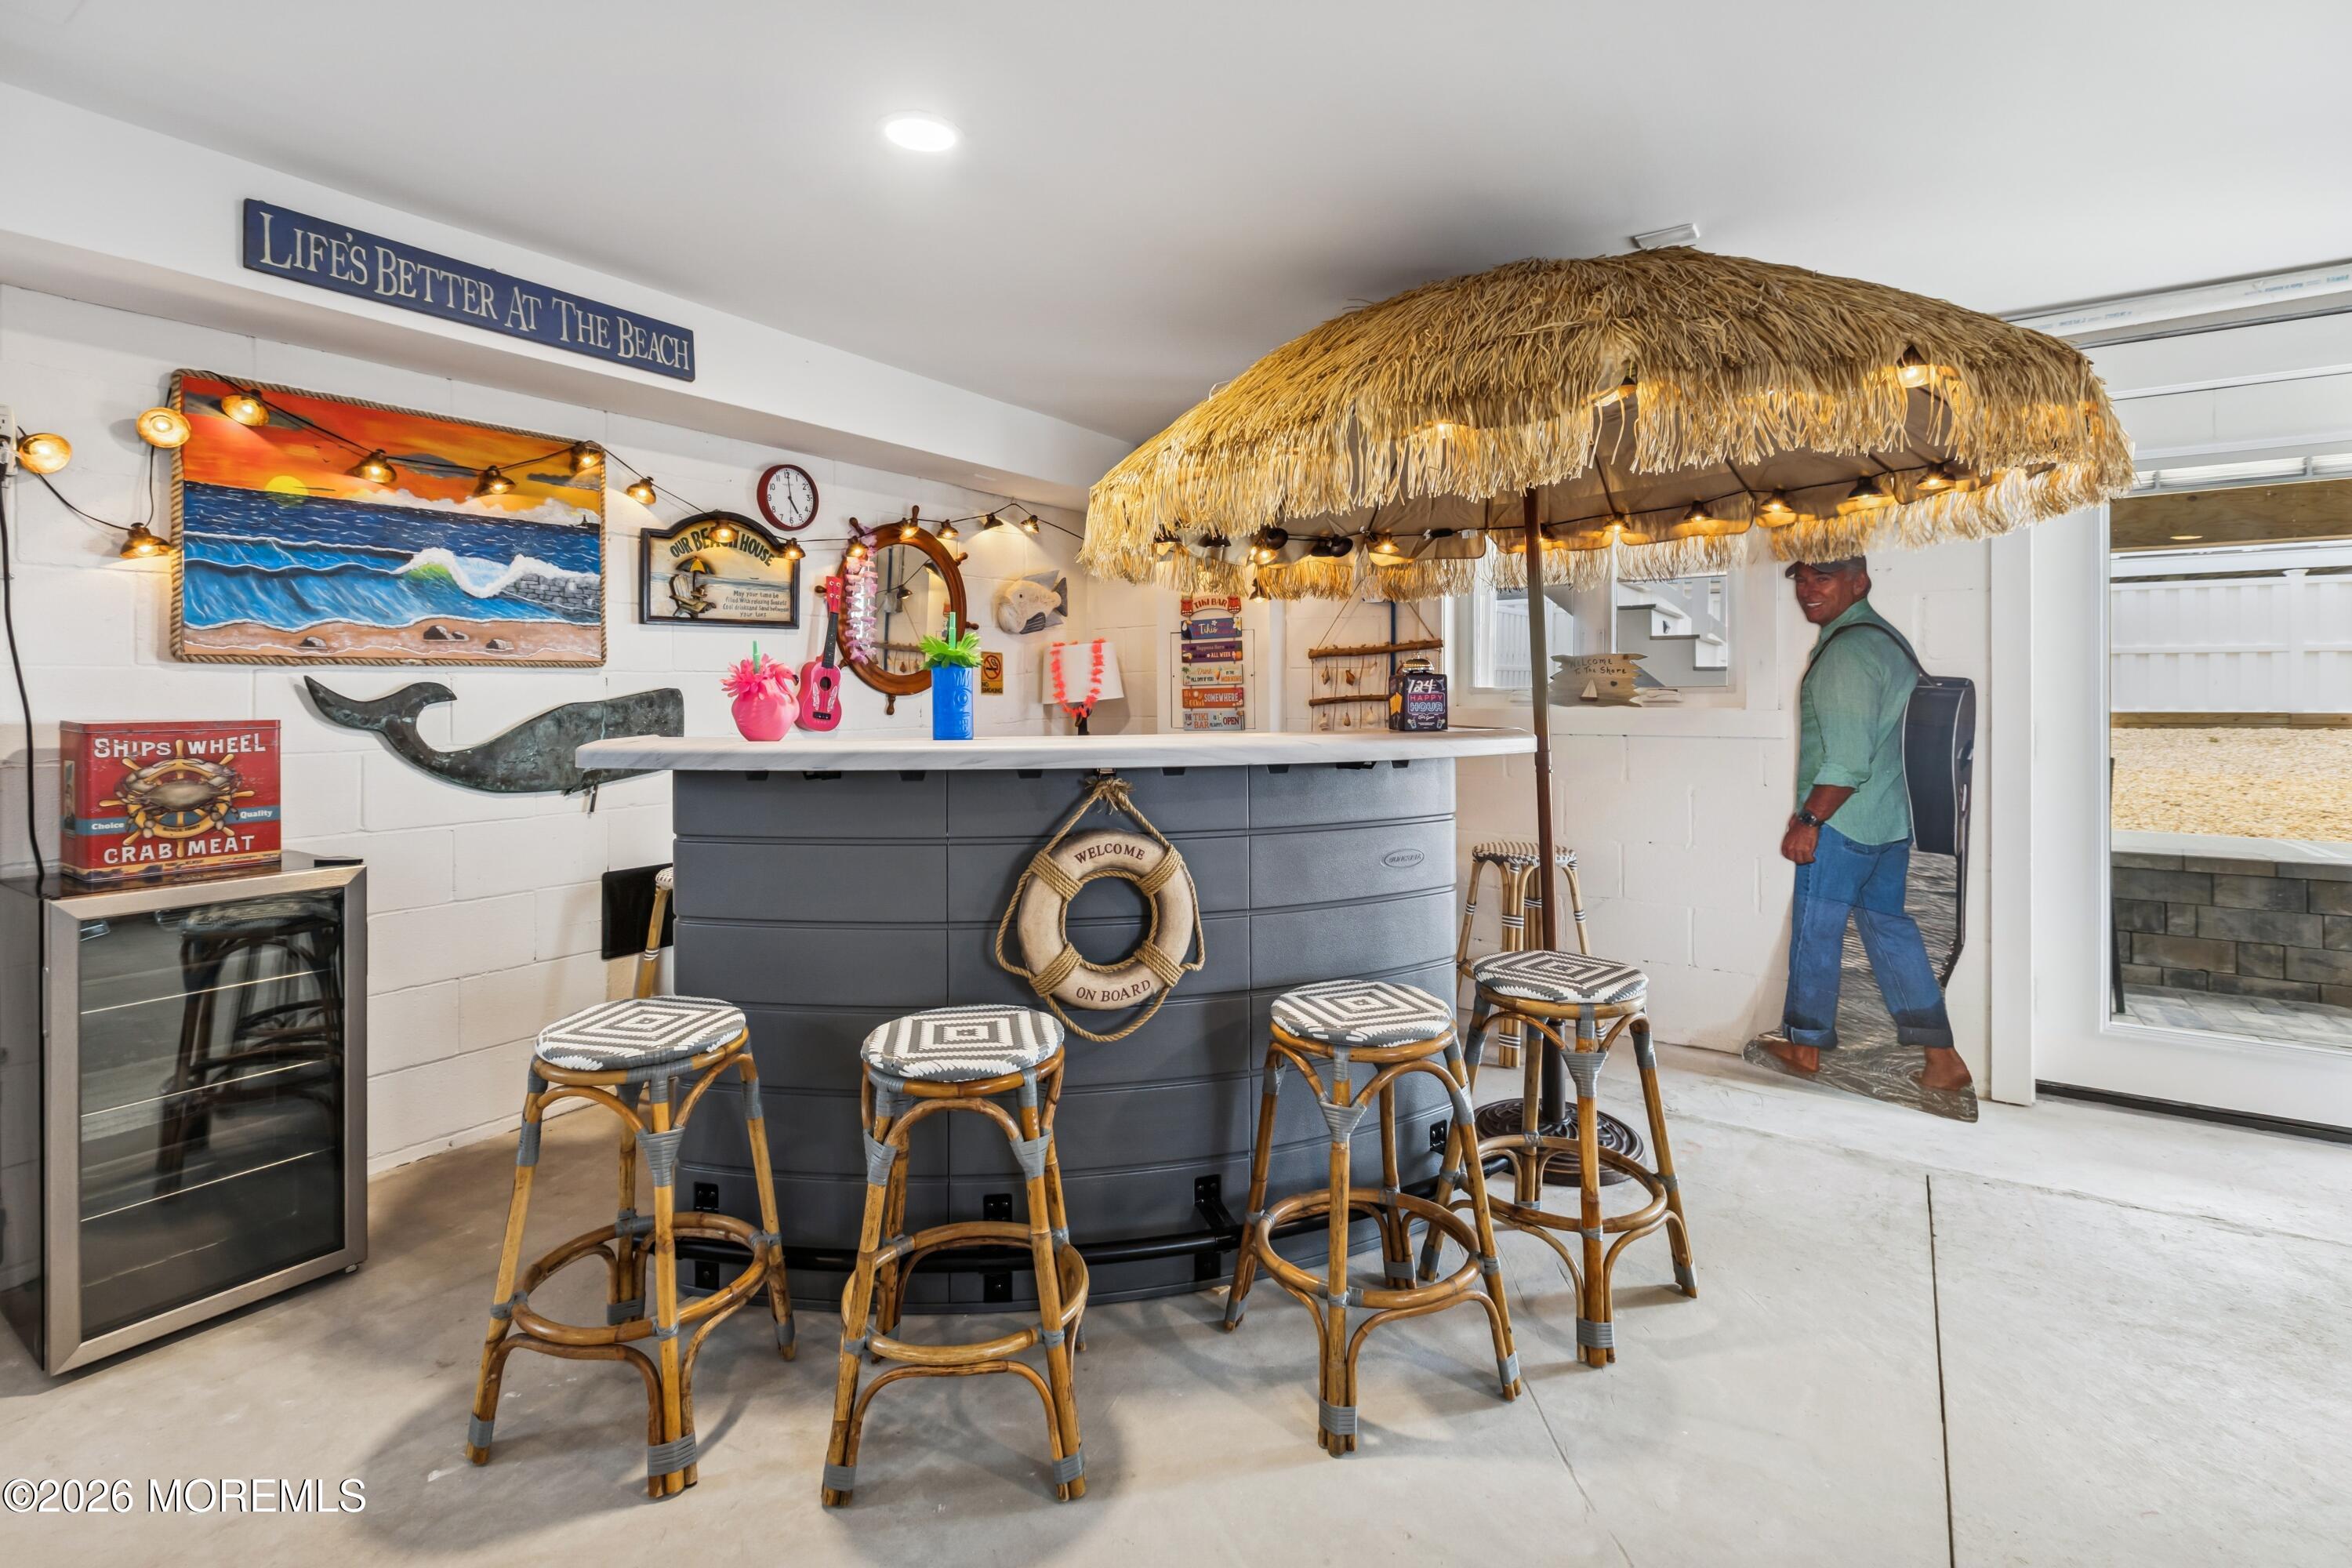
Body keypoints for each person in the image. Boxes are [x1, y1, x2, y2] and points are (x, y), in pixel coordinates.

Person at [1762, 557, 1972, 1094]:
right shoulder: (1886, 639)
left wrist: (1809, 819)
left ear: (1860, 581)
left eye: (1823, 577)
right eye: (1801, 578)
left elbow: (1848, 760)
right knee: (1891, 935)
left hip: (1845, 826)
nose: (1808, 589)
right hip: (1889, 822)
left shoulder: (1846, 653)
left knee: (1816, 934)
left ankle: (1804, 1046)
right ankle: (1942, 1057)